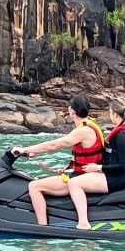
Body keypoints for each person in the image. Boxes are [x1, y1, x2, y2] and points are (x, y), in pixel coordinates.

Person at [12, 95, 105, 230]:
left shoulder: (83, 131)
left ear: (71, 111)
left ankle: (42, 228)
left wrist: (24, 149)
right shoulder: (92, 125)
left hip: (82, 178)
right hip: (83, 174)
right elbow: (85, 154)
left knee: (34, 186)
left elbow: (54, 145)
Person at [64, 96, 125, 227]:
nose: (110, 115)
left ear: (115, 114)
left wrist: (98, 167)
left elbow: (122, 166)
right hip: (120, 174)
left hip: (121, 177)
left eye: (110, 112)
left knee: (74, 183)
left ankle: (83, 222)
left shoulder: (122, 136)